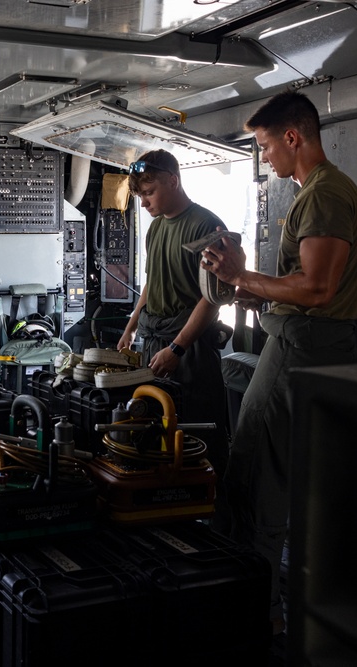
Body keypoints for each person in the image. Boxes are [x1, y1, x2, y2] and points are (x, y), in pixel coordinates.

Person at [201, 90, 357, 634]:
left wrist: (238, 278)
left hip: (303, 347)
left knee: (255, 473)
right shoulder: (318, 193)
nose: (265, 157)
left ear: (293, 138)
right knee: (296, 480)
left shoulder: (322, 194)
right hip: (315, 340)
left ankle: (256, 616)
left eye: (267, 145)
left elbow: (319, 288)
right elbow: (306, 286)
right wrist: (257, 293)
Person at [116, 148, 230, 516]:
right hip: (153, 340)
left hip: (189, 349)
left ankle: (213, 519)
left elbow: (211, 299)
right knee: (153, 437)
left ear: (173, 180)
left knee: (198, 437)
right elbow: (151, 282)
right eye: (140, 197)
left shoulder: (206, 226)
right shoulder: (156, 228)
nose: (145, 203)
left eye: (149, 193)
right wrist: (131, 326)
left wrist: (178, 349)